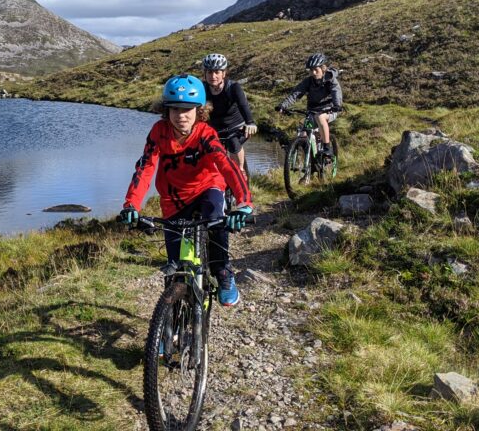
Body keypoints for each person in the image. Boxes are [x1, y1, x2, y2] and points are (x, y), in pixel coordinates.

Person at [118, 74, 253, 306]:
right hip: (174, 199)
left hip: (206, 188)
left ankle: (223, 273)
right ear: (166, 110)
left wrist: (244, 203)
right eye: (175, 109)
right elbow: (145, 168)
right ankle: (172, 324)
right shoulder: (159, 132)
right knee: (175, 268)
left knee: (215, 219)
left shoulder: (205, 134)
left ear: (199, 111)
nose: (181, 116)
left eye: (188, 110)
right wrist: (131, 205)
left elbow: (227, 166)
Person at [276, 53, 343, 161]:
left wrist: (337, 105)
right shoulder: (308, 81)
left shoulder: (331, 80)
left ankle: (327, 148)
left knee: (320, 117)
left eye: (316, 69)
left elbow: (336, 93)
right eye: (311, 70)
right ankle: (308, 166)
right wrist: (283, 105)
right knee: (302, 133)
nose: (313, 72)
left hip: (330, 109)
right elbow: (295, 94)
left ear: (323, 68)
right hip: (312, 111)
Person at [201, 53, 257, 178]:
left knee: (233, 142)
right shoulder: (202, 89)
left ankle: (240, 172)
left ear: (223, 73)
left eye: (217, 72)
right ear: (205, 74)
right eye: (209, 72)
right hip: (214, 129)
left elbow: (244, 106)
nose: (213, 76)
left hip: (236, 127)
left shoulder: (233, 87)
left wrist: (250, 123)